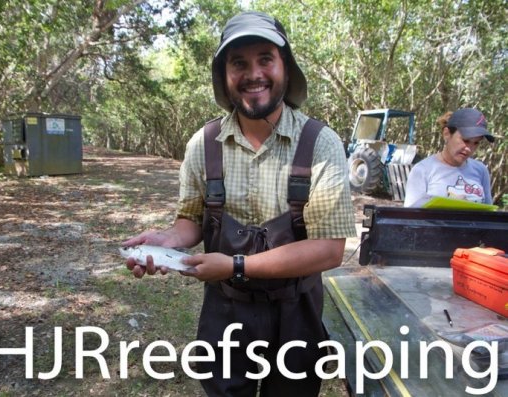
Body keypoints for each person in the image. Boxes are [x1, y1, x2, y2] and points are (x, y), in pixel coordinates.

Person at [123, 11, 356, 396]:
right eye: (238, 63)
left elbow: (329, 250)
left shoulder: (320, 144)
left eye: (265, 58)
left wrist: (235, 264)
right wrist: (169, 241)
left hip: (297, 310)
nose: (253, 74)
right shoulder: (204, 144)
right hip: (226, 309)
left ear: (285, 66)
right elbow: (193, 220)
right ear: (224, 75)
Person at [404, 108, 494, 208]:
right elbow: (410, 218)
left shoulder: (480, 170)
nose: (469, 148)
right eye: (465, 140)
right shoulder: (422, 170)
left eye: (476, 143)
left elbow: (488, 215)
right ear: (447, 134)